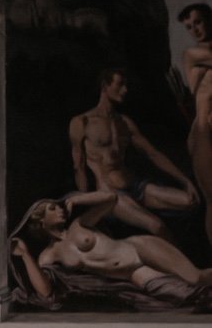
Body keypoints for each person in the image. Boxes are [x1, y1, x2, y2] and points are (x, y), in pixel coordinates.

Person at [10, 191, 212, 303]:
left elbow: (111, 199)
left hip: (140, 249)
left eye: (58, 205)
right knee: (185, 294)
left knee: (196, 277)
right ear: (40, 222)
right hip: (133, 274)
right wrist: (26, 255)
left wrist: (77, 199)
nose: (60, 209)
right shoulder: (49, 255)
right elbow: (45, 292)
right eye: (51, 209)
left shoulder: (78, 225)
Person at [68, 68, 198, 236]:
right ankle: (182, 262)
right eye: (120, 85)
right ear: (104, 86)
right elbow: (79, 166)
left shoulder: (125, 122)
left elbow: (153, 154)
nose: (125, 90)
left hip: (136, 186)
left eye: (126, 85)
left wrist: (185, 181)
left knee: (190, 201)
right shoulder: (82, 122)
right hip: (111, 194)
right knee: (157, 226)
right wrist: (89, 205)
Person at [178, 2, 212, 248]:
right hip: (204, 133)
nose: (195, 29)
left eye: (198, 22)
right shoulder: (193, 55)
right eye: (190, 27)